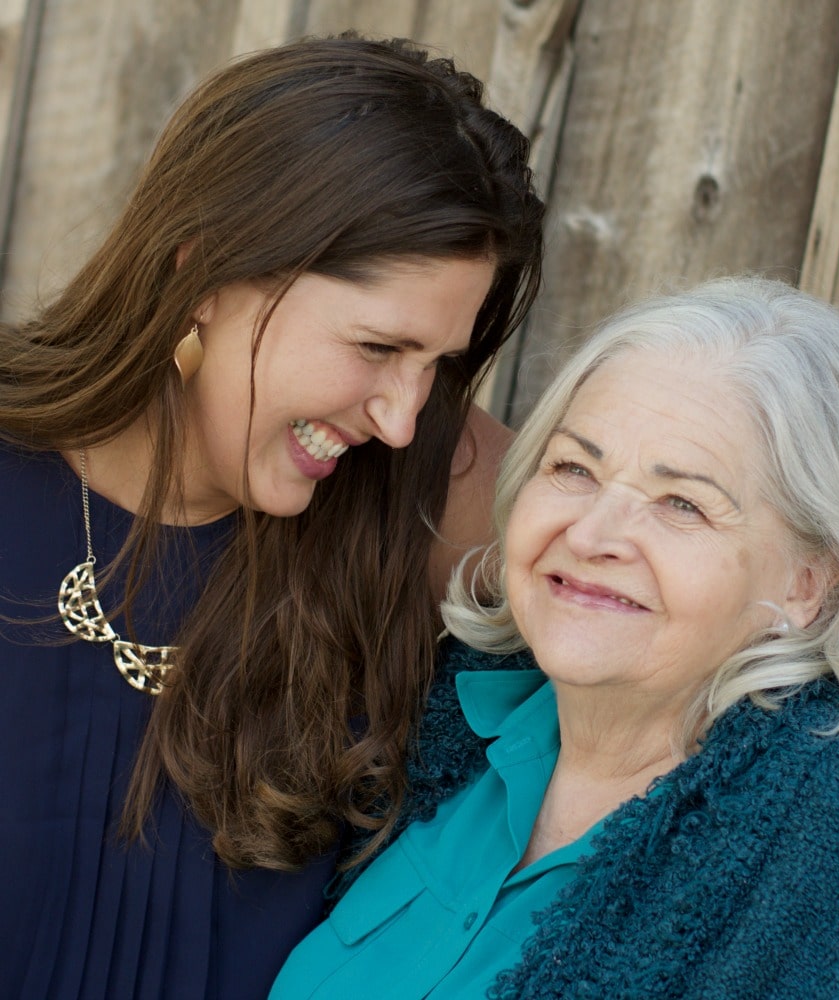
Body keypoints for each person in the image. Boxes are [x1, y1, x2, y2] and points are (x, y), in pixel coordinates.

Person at [0, 33, 543, 999]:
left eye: (441, 365)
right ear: (204, 272)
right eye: (379, 346)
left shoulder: (430, 493)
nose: (402, 417)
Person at [271, 276, 839, 999]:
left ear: (808, 583)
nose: (591, 534)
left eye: (681, 504)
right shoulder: (447, 715)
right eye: (575, 468)